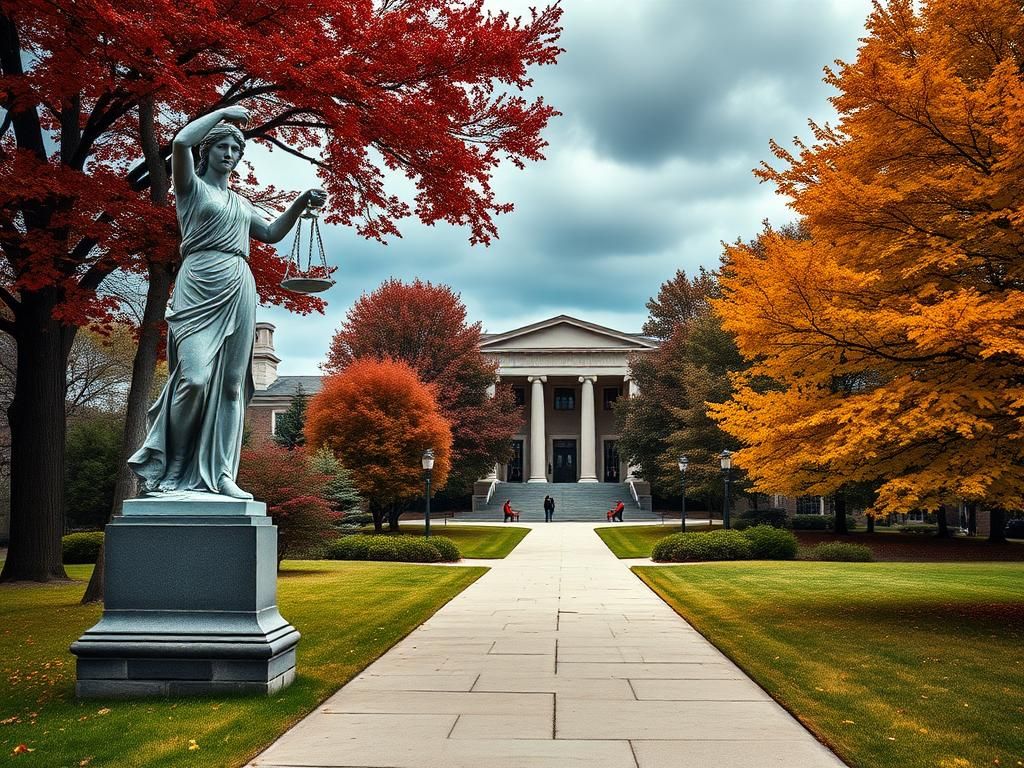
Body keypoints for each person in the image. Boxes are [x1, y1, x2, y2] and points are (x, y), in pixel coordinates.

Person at [129, 105, 326, 499]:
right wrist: (224, 113)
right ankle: (175, 468)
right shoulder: (191, 189)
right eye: (223, 147)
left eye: (236, 150)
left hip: (239, 284)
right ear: (209, 150)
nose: (231, 155)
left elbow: (269, 233)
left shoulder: (240, 202)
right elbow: (180, 141)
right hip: (199, 283)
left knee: (234, 387)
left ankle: (221, 474)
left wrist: (300, 203)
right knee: (195, 378)